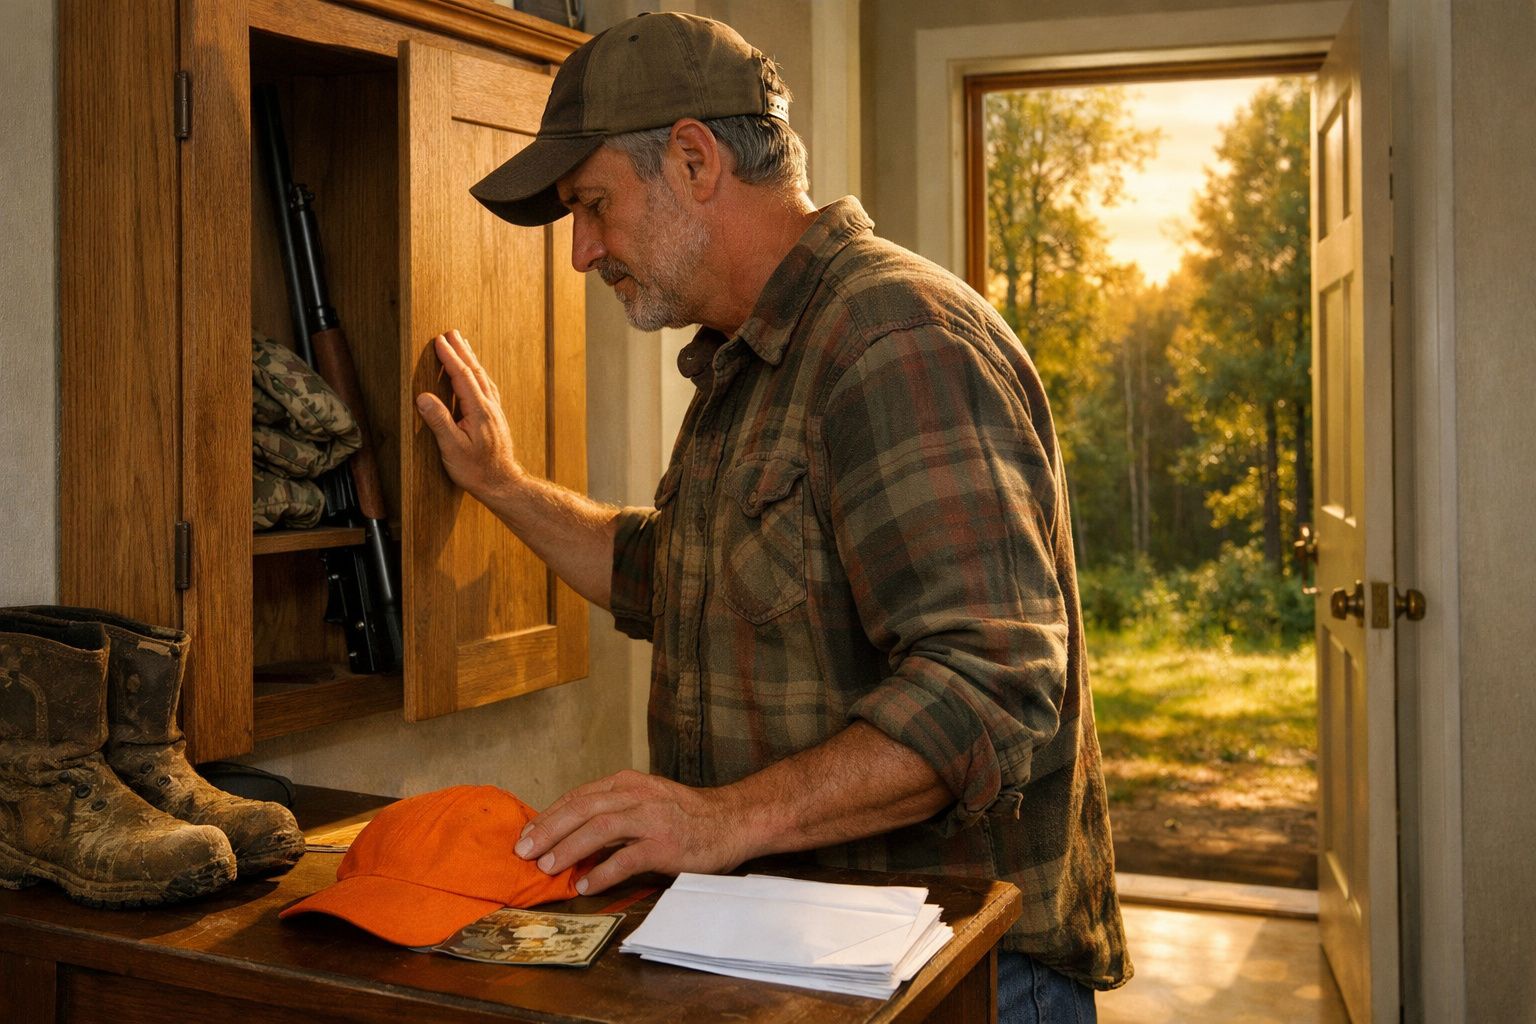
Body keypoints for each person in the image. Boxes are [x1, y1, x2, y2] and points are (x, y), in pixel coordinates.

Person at [413, 12, 1130, 1020]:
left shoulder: (895, 338)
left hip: (956, 975)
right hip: (810, 960)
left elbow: (988, 687)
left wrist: (716, 822)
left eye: (593, 205)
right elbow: (673, 576)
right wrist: (500, 483)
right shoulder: (747, 363)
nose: (581, 251)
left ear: (694, 159)